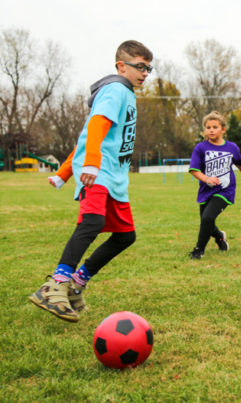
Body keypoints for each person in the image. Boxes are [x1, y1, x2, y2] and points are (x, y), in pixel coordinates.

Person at [29, 40, 153, 322]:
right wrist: (91, 164)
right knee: (93, 222)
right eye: (140, 66)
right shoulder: (115, 89)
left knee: (125, 236)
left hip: (114, 179)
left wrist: (63, 174)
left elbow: (86, 136)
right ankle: (56, 285)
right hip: (100, 173)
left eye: (149, 68)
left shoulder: (126, 93)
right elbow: (96, 126)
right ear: (121, 66)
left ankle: (76, 284)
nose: (145, 73)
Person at [188, 111, 241, 260]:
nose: (211, 130)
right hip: (206, 190)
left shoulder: (232, 147)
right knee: (206, 220)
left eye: (215, 127)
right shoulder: (200, 148)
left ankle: (198, 250)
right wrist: (207, 179)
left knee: (208, 218)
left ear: (223, 129)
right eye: (208, 127)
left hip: (225, 190)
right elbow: (194, 170)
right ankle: (220, 237)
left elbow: (239, 162)